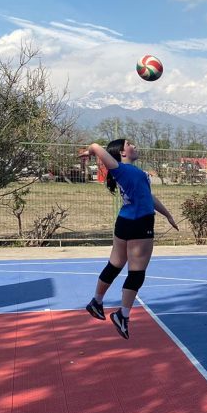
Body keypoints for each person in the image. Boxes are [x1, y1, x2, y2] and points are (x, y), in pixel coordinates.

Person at [83, 139, 178, 339]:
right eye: (129, 144)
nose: (134, 145)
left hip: (125, 222)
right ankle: (122, 315)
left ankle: (96, 302)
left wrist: (167, 214)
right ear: (121, 152)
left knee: (115, 265)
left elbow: (148, 197)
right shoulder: (121, 169)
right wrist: (91, 151)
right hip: (139, 224)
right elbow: (95, 145)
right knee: (137, 273)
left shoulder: (135, 173)